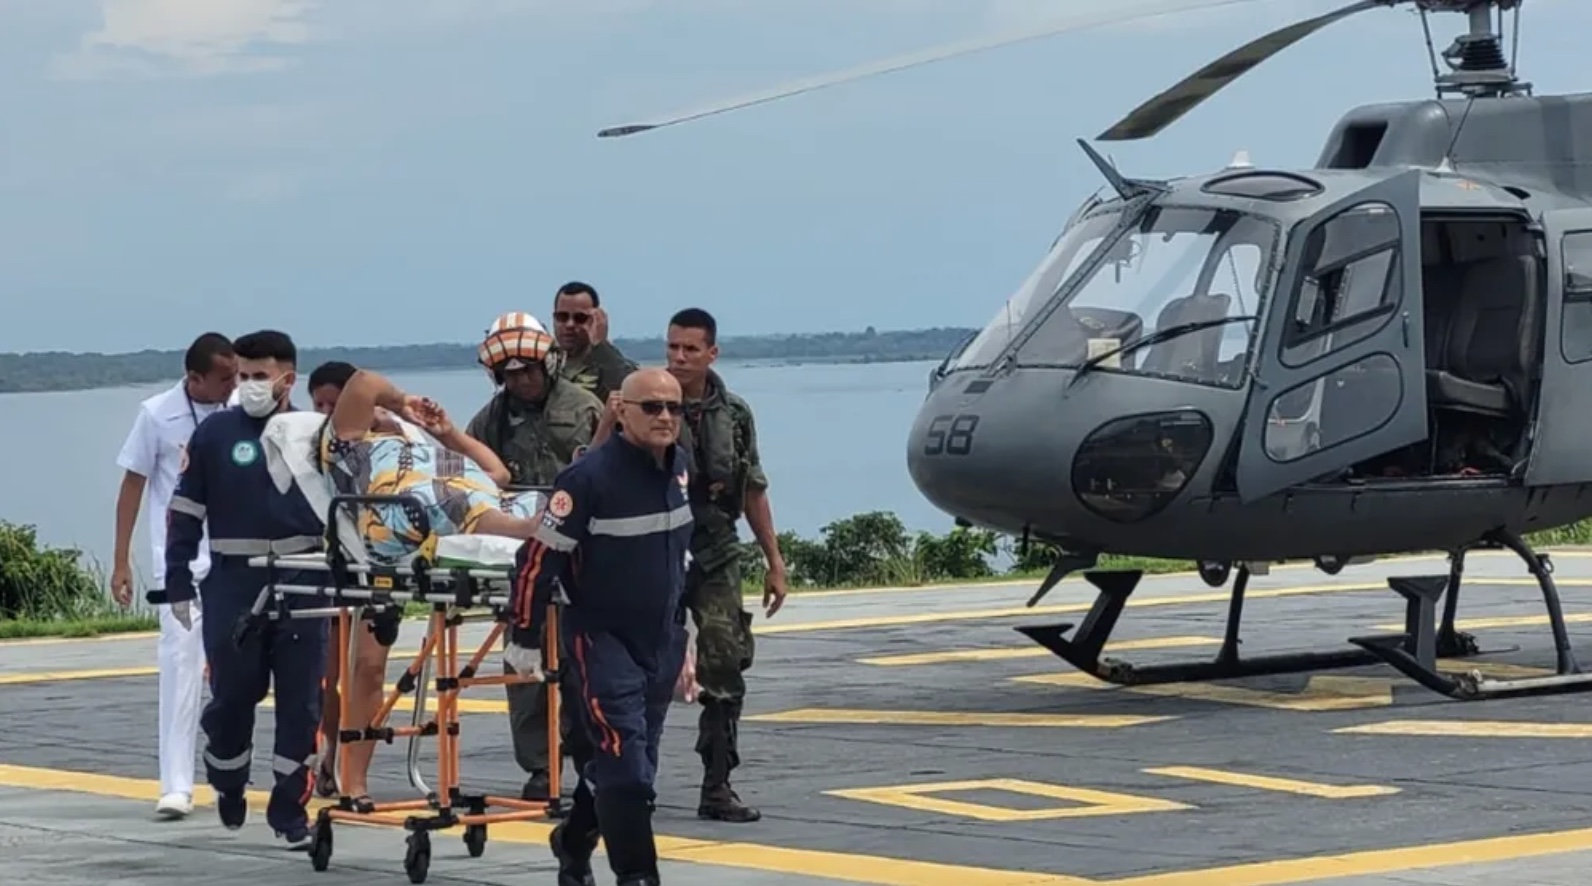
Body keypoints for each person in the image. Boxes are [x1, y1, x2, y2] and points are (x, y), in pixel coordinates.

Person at [510, 367, 694, 886]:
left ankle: (572, 841)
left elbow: (681, 556)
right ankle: (637, 876)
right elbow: (536, 559)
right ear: (621, 412)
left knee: (633, 768)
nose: (664, 417)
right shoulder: (588, 479)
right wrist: (524, 635)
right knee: (624, 760)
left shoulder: (679, 467)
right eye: (651, 407)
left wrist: (690, 632)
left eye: (673, 408)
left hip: (662, 640)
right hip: (600, 639)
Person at [161, 329, 327, 849]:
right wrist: (176, 576)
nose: (250, 385)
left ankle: (289, 811)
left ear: (287, 379)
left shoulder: (316, 435)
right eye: (244, 375)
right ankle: (228, 779)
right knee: (233, 696)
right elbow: (185, 510)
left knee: (302, 705)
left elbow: (347, 513)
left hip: (306, 578)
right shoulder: (214, 435)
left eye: (260, 376)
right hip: (235, 580)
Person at [465, 311, 603, 802]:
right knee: (524, 671)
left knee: (582, 664)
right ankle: (542, 767)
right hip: (524, 561)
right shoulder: (489, 419)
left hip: (582, 556)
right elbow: (470, 477)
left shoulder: (585, 407)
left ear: (548, 364)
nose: (521, 380)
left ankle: (590, 760)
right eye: (511, 374)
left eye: (528, 370)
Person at [665, 307, 791, 823]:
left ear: (711, 353)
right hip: (658, 550)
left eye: (690, 349)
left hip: (716, 548)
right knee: (638, 664)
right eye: (672, 347)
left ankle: (717, 784)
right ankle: (620, 782)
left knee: (724, 661)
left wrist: (774, 561)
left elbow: (753, 487)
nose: (679, 358)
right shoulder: (649, 404)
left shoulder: (734, 414)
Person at [111, 331, 237, 820]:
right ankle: (176, 784)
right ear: (194, 378)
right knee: (181, 670)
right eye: (224, 378)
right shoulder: (156, 414)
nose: (232, 385)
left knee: (237, 671)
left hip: (235, 560)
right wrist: (121, 560)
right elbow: (133, 484)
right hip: (181, 564)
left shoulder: (239, 414)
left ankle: (230, 773)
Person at [320, 368, 543, 565]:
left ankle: (541, 527)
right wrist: (401, 403)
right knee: (454, 499)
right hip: (396, 514)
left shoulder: (413, 449)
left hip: (471, 501)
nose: (382, 411)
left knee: (536, 500)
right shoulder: (344, 448)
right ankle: (528, 531)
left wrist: (448, 433)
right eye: (378, 408)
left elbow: (499, 474)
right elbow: (364, 381)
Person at [300, 359, 392, 802]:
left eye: (333, 404)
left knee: (368, 669)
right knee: (329, 673)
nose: (324, 413)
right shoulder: (313, 444)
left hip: (380, 562)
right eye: (317, 404)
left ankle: (356, 771)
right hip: (334, 562)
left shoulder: (391, 438)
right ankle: (330, 749)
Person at [552, 281, 637, 402]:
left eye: (580, 318)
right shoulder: (544, 364)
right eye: (562, 317)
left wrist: (601, 345)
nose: (569, 324)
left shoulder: (610, 364)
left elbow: (629, 391)